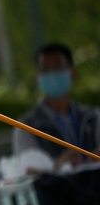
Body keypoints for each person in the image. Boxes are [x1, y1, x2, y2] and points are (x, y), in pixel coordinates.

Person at [13, 42, 100, 172]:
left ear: (73, 73)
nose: (52, 74)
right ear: (37, 77)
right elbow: (28, 172)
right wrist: (56, 167)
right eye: (45, 69)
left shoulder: (93, 117)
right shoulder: (26, 127)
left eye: (58, 67)